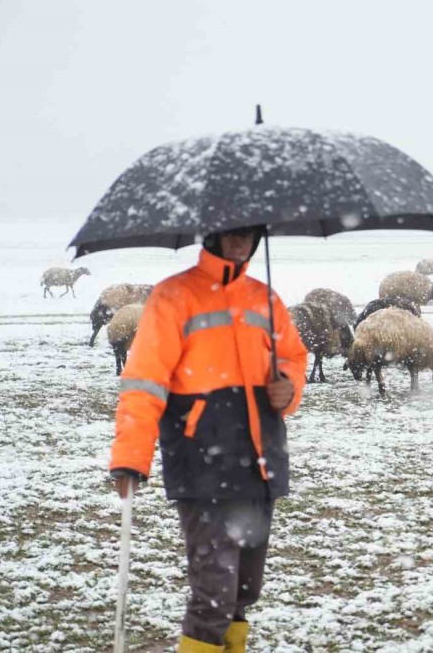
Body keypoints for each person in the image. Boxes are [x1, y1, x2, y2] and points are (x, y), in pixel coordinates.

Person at [109, 224, 308, 653]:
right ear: (212, 234)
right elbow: (144, 381)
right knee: (213, 594)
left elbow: (292, 355)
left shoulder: (265, 298)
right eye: (231, 231)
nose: (240, 239)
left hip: (259, 462)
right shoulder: (173, 296)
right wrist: (131, 456)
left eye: (250, 232)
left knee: (244, 590)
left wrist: (288, 385)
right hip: (203, 462)